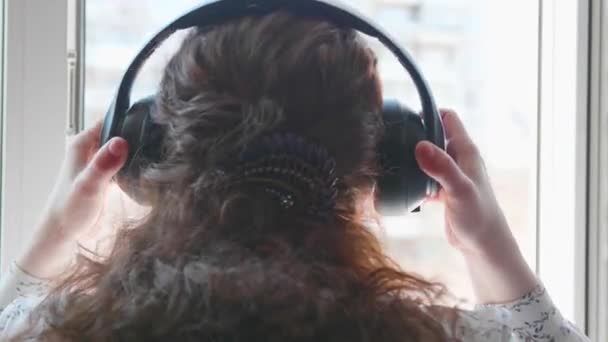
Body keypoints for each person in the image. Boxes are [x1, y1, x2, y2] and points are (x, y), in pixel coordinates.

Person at [0, 12, 591, 341]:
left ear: (144, 161)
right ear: (390, 168)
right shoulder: (446, 338)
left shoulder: (58, 333)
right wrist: (492, 247)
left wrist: (50, 238)